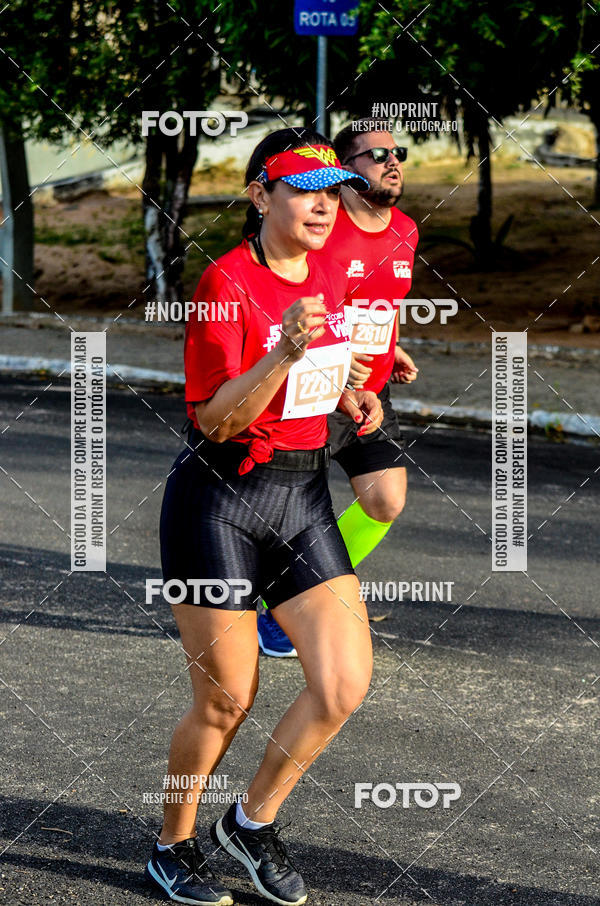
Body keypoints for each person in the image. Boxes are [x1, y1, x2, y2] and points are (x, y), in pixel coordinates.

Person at [144, 128, 384, 906]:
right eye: (303, 188)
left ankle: (249, 823)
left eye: (331, 189)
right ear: (260, 197)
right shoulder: (224, 282)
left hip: (302, 493)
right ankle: (171, 845)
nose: (323, 203)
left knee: (343, 682)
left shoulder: (330, 276)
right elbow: (216, 421)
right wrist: (280, 353)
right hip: (219, 499)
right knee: (225, 699)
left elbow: (321, 375)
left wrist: (353, 393)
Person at [258, 119, 419, 658]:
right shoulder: (323, 231)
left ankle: (293, 592)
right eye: (375, 155)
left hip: (370, 390)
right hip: (318, 384)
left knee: (384, 501)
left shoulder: (407, 230)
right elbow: (304, 296)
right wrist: (334, 353)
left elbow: (381, 303)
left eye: (397, 152)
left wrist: (390, 347)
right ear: (344, 173)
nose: (391, 162)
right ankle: (284, 606)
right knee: (294, 503)